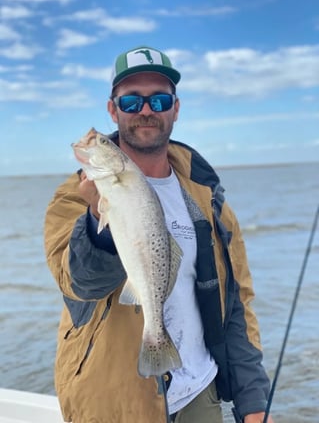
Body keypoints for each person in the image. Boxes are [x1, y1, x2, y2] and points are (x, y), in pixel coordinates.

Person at [44, 45, 274, 423]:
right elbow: (79, 284)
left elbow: (236, 303)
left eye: (159, 99)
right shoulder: (75, 197)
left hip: (201, 391)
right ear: (112, 110)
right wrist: (97, 218)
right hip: (115, 403)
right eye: (131, 101)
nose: (146, 110)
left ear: (176, 109)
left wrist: (253, 402)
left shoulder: (208, 201)